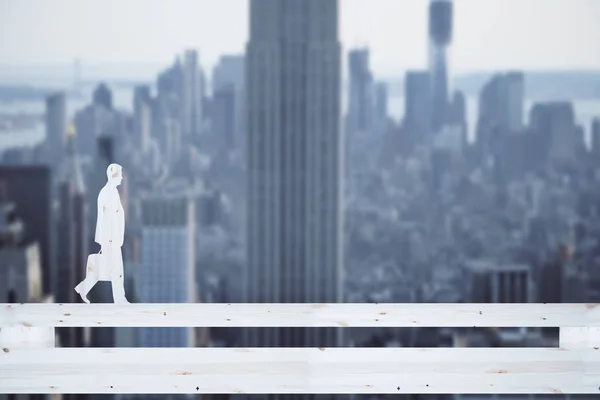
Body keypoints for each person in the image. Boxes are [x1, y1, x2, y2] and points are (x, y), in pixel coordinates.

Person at [74, 163, 129, 304]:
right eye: (120, 174)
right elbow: (107, 219)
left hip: (114, 240)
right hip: (111, 240)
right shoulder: (107, 193)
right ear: (113, 175)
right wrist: (110, 241)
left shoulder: (112, 192)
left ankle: (83, 288)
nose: (122, 178)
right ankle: (119, 299)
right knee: (115, 270)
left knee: (106, 269)